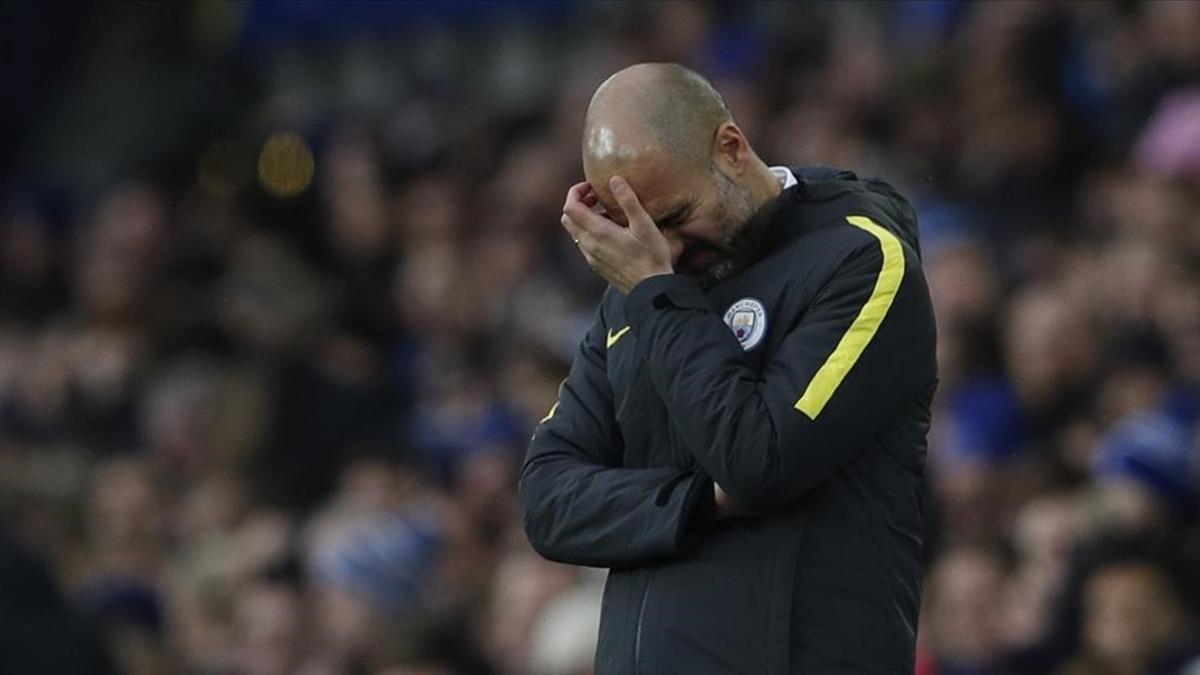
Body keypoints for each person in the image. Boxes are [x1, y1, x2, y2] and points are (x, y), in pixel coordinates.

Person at [519, 63, 938, 673]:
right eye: (639, 229)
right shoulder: (637, 291)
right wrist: (696, 502)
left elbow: (759, 461)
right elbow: (547, 498)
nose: (667, 250)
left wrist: (657, 295)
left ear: (732, 149)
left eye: (674, 217)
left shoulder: (861, 260)